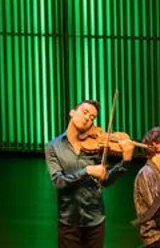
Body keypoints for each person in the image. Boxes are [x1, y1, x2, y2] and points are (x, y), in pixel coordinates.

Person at [45, 99, 135, 248]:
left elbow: (105, 180)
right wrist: (86, 171)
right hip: (68, 222)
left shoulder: (97, 144)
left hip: (95, 220)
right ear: (72, 112)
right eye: (85, 112)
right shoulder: (53, 147)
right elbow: (58, 182)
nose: (88, 118)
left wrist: (125, 162)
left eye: (93, 117)